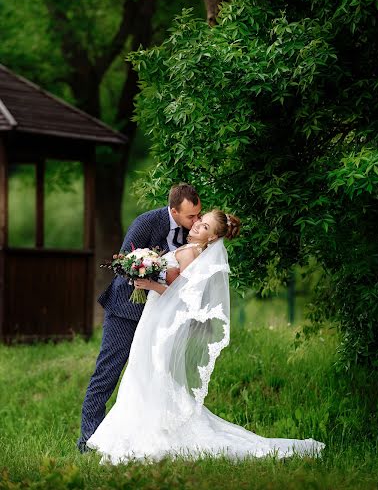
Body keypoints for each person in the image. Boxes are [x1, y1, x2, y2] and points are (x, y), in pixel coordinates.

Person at [86, 210, 325, 463]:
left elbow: (183, 302)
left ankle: (151, 432)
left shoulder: (190, 254)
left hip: (159, 322)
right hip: (153, 319)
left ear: (211, 239)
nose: (197, 225)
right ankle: (139, 427)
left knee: (146, 373)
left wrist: (150, 285)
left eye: (204, 227)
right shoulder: (189, 248)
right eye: (200, 221)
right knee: (142, 372)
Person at [77, 183, 202, 453]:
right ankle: (88, 439)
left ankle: (151, 439)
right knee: (108, 372)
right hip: (126, 310)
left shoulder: (192, 234)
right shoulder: (146, 222)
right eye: (191, 216)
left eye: (198, 215)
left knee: (155, 377)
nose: (196, 221)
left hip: (161, 316)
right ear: (173, 210)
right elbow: (123, 264)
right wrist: (157, 275)